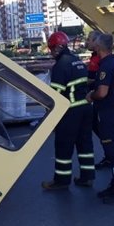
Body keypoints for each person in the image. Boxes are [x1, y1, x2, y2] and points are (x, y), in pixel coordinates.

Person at [41, 31, 95, 190]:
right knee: (85, 144)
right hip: (85, 108)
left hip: (70, 111)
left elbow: (56, 95)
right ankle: (87, 177)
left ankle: (61, 181)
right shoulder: (77, 61)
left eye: (51, 49)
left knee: (64, 147)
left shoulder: (60, 65)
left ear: (57, 48)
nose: (51, 53)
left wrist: (48, 116)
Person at [86, 33, 114, 204]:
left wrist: (91, 95)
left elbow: (102, 92)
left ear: (98, 47)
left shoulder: (105, 66)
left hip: (107, 116)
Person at [85, 31, 111, 169]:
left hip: (101, 102)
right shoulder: (96, 58)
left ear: (97, 43)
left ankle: (111, 156)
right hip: (102, 102)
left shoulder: (101, 61)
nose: (87, 42)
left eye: (89, 39)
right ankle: (110, 155)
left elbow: (96, 80)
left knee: (103, 130)